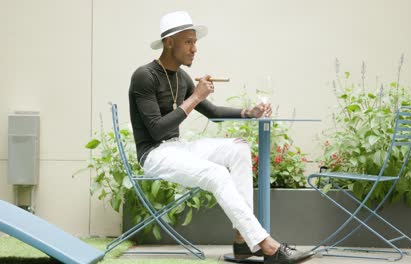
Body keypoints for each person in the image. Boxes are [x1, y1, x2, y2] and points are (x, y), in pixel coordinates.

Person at [128, 10, 315, 264]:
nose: (195, 48)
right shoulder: (144, 76)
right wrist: (196, 97)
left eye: (196, 42)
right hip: (154, 154)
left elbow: (213, 112)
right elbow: (157, 130)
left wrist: (250, 112)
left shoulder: (180, 76)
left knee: (238, 148)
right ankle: (267, 245)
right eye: (189, 41)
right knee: (217, 173)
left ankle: (242, 242)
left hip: (178, 148)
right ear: (169, 42)